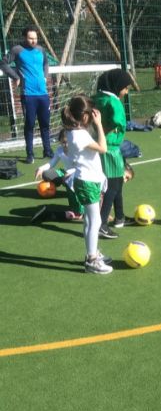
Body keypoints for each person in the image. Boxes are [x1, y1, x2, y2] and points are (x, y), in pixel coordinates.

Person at [61, 94, 112, 274]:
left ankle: (93, 253)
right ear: (85, 117)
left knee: (90, 220)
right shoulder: (80, 135)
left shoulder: (72, 132)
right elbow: (103, 148)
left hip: (87, 180)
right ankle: (91, 260)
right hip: (88, 181)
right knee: (94, 220)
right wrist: (99, 125)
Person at [0, 26, 54, 164]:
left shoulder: (41, 50)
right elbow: (3, 64)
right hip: (28, 94)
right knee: (29, 124)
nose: (33, 41)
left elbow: (46, 64)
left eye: (35, 38)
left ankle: (47, 150)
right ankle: (30, 154)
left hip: (43, 94)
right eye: (30, 38)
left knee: (45, 124)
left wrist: (44, 77)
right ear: (24, 37)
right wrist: (16, 77)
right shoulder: (17, 50)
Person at [92, 69, 135, 239]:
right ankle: (102, 223)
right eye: (126, 88)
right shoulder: (113, 101)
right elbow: (117, 121)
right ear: (118, 86)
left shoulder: (98, 97)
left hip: (105, 146)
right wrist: (103, 132)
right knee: (113, 185)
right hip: (110, 148)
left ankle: (120, 217)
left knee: (117, 182)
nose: (127, 91)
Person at [31, 129, 84, 224]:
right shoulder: (59, 150)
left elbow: (81, 166)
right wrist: (41, 168)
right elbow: (52, 163)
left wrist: (70, 173)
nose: (66, 145)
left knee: (71, 181)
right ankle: (64, 187)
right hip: (66, 173)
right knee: (46, 174)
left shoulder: (77, 150)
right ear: (60, 141)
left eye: (68, 142)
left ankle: (81, 210)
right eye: (63, 142)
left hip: (79, 174)